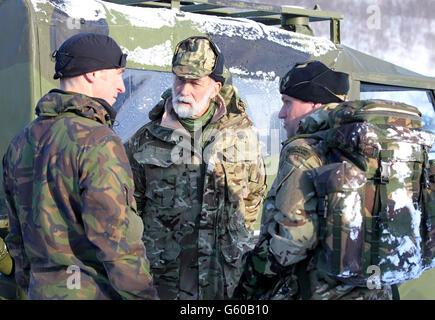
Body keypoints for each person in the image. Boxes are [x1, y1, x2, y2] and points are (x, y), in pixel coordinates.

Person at [2, 32, 158, 300]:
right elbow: (117, 239)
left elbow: (17, 237)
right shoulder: (97, 141)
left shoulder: (22, 140)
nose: (121, 86)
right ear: (92, 74)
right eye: (116, 74)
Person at [233, 61, 392, 300]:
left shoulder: (303, 151)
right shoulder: (370, 147)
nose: (281, 114)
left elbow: (289, 243)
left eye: (288, 102)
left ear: (317, 105)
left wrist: (247, 286)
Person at [126, 36, 266, 300]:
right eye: (179, 79)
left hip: (226, 281)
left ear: (215, 87)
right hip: (167, 282)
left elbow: (253, 195)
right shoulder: (144, 141)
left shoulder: (242, 134)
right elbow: (130, 211)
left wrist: (233, 241)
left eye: (195, 82)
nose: (184, 90)